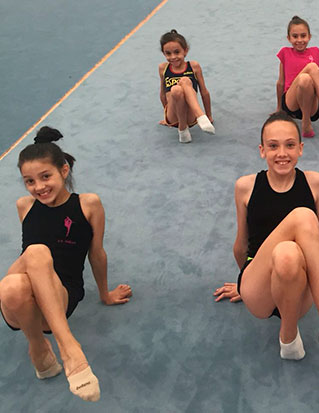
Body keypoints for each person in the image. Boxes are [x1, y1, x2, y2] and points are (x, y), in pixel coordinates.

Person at [213, 112, 319, 385]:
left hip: (297, 283)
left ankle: (288, 339)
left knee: (287, 254)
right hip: (259, 290)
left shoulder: (314, 182)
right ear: (261, 150)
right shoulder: (246, 186)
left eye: (290, 145)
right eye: (273, 146)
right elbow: (241, 245)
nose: (282, 153)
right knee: (302, 217)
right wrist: (245, 283)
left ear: (301, 149)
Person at [0, 127, 132, 401]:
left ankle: (53, 346)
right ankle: (49, 346)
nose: (39, 187)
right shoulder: (24, 206)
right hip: (19, 304)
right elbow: (28, 261)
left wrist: (105, 294)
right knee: (20, 274)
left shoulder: (87, 204)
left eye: (45, 176)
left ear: (64, 170)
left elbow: (96, 253)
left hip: (61, 297)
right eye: (29, 181)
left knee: (33, 258)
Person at [275, 16, 319, 138]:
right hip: (291, 104)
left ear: (309, 36)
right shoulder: (285, 52)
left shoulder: (316, 52)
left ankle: (307, 123)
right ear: (288, 38)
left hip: (311, 107)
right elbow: (280, 83)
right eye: (295, 36)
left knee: (305, 79)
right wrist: (279, 109)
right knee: (311, 67)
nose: (300, 40)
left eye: (303, 36)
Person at [158, 29, 215, 143]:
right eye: (168, 53)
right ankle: (185, 125)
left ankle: (195, 121)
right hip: (174, 117)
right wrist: (166, 117)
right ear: (164, 54)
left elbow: (204, 92)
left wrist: (209, 115)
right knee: (175, 90)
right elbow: (163, 94)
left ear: (185, 51)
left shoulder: (193, 66)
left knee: (183, 82)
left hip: (190, 116)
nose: (173, 57)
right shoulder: (163, 68)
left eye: (177, 52)